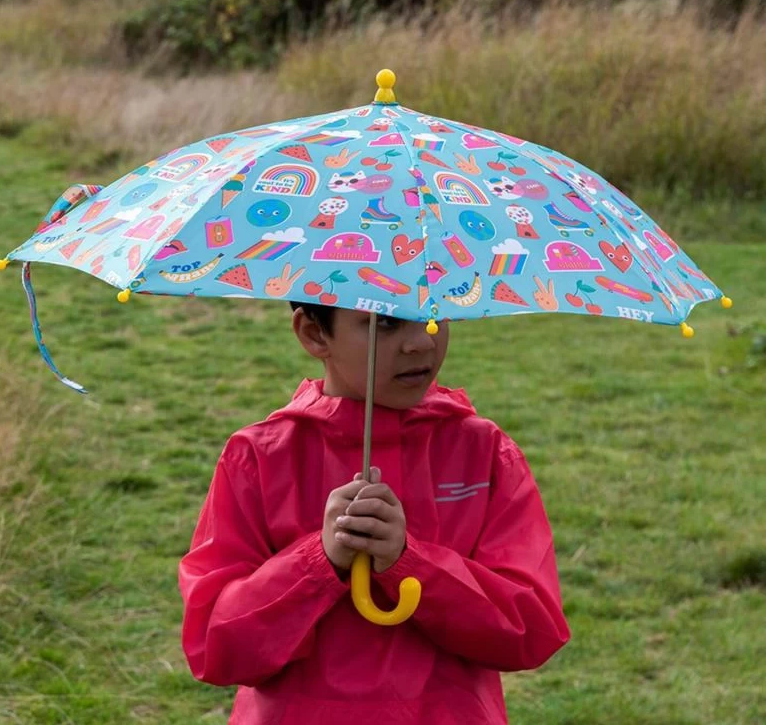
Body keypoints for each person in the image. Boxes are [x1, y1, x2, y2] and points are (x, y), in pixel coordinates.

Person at [179, 302, 570, 724]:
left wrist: (412, 563)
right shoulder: (259, 459)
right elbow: (216, 648)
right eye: (385, 322)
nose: (421, 342)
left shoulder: (485, 454)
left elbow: (532, 629)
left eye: (434, 315)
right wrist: (316, 561)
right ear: (314, 334)